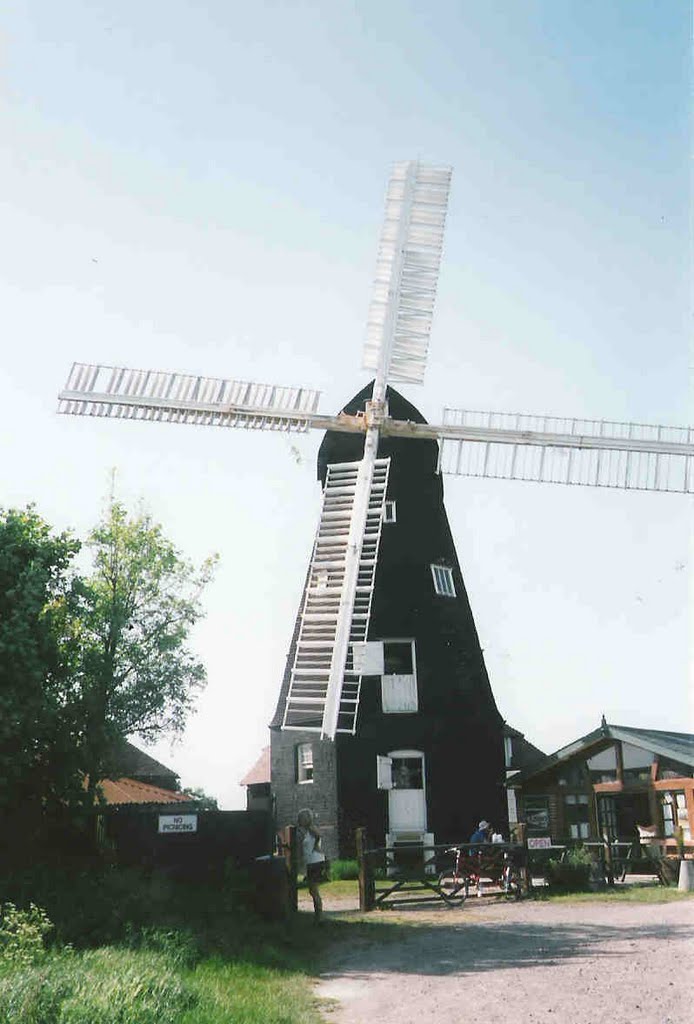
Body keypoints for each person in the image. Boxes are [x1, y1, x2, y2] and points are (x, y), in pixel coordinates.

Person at [297, 808, 326, 921]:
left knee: (314, 890)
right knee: (313, 890)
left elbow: (309, 849)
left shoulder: (310, 831)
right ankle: (318, 915)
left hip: (315, 861)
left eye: (301, 818)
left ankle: (319, 917)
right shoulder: (309, 831)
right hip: (314, 861)